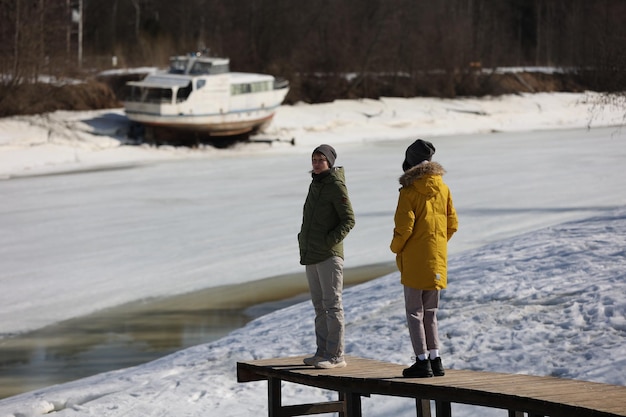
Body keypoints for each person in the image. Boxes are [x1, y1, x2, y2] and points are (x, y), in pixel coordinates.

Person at [390, 139, 458, 378]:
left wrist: (395, 248)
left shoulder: (408, 192)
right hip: (436, 259)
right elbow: (452, 224)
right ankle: (435, 358)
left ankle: (421, 361)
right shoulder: (444, 188)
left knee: (414, 312)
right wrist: (435, 246)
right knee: (431, 312)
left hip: (415, 261)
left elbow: (404, 229)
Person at [298, 144, 355, 369]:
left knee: (332, 306)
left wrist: (329, 241)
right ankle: (322, 352)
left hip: (328, 255)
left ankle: (335, 355)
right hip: (312, 254)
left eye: (321, 159)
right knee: (319, 307)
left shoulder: (335, 185)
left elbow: (349, 220)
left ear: (329, 162)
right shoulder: (316, 184)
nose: (316, 163)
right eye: (314, 159)